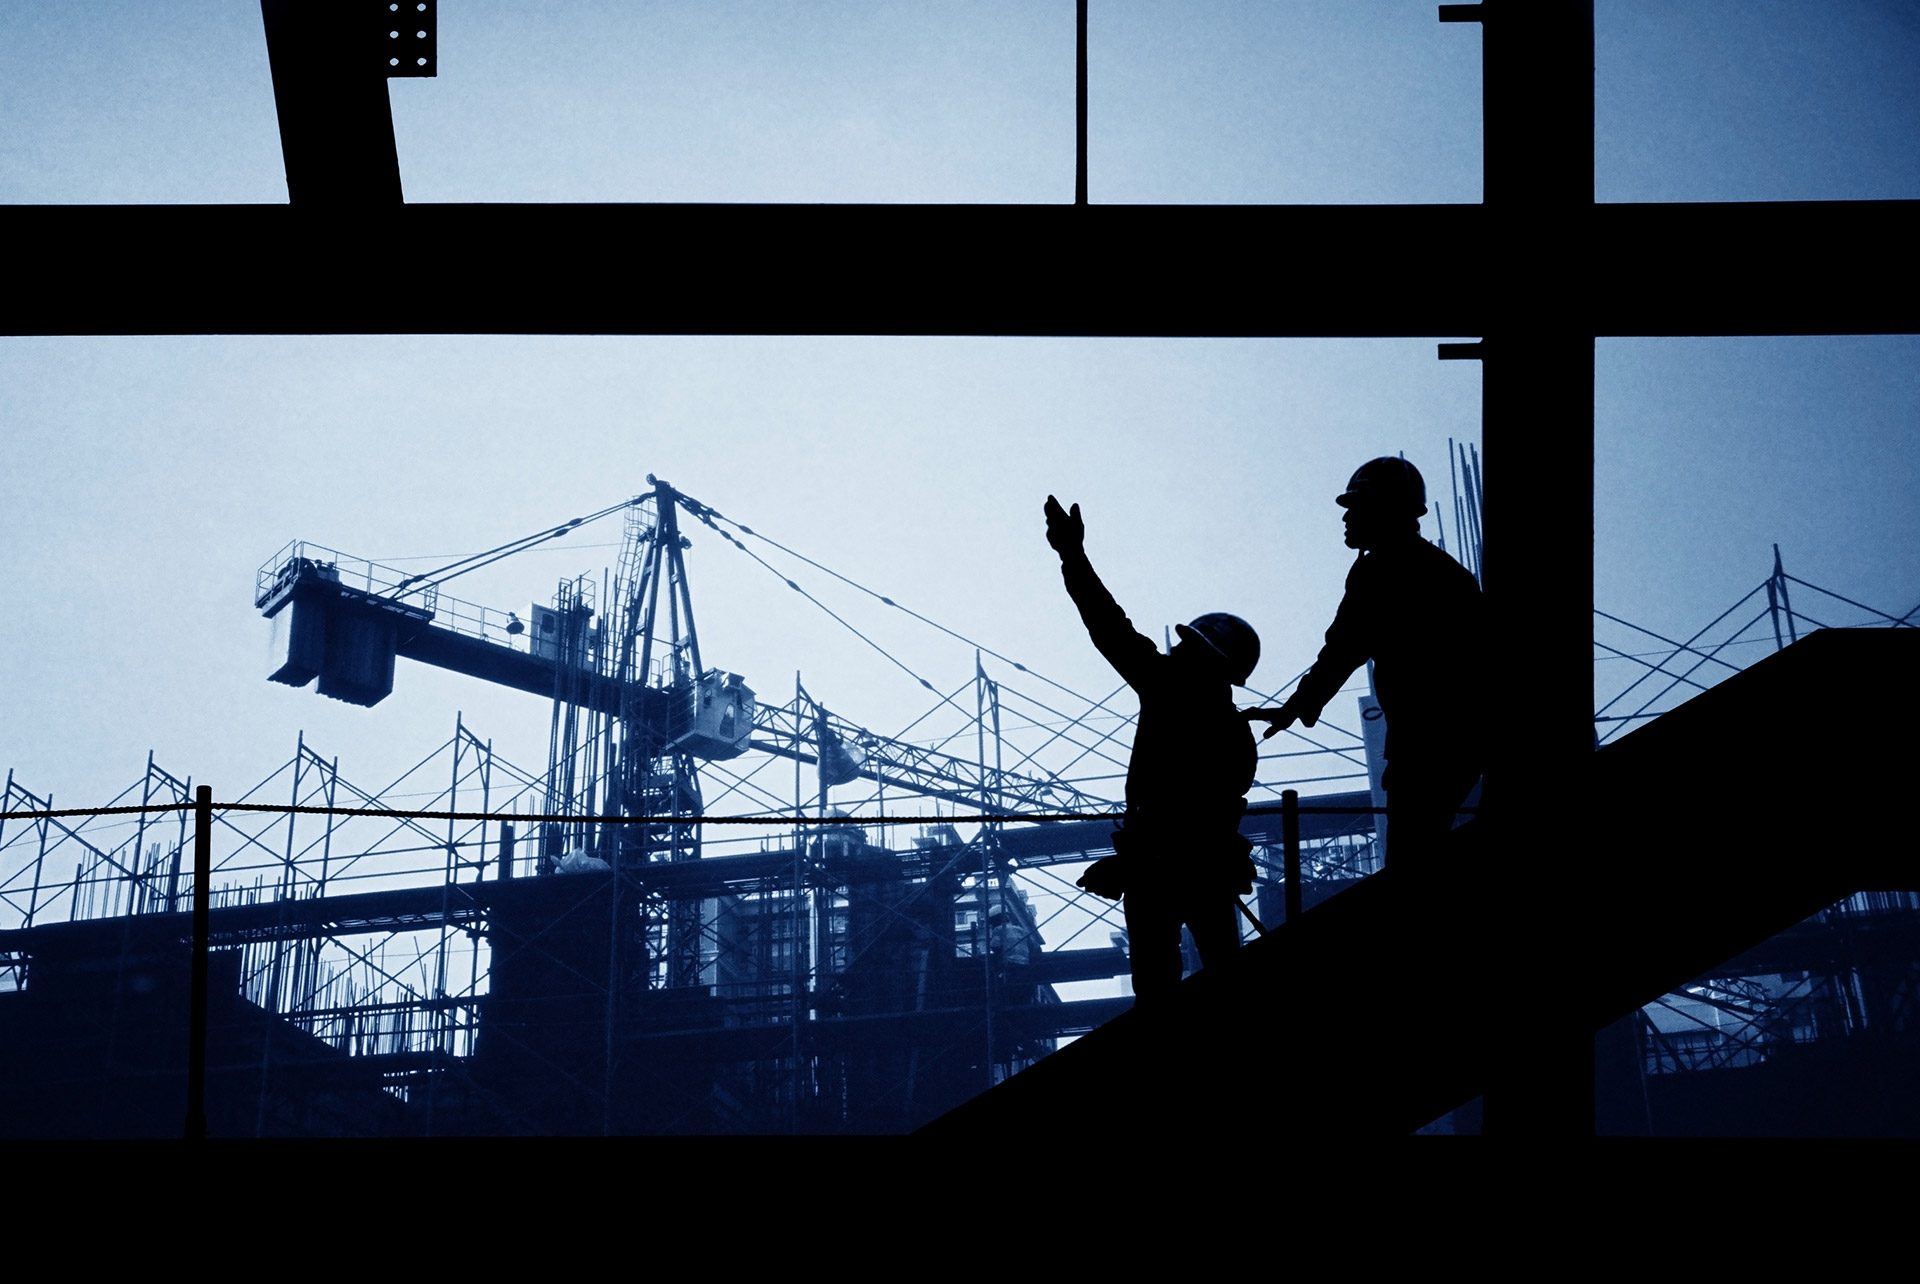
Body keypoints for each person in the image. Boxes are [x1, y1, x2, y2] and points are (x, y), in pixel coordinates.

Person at [1044, 494, 1261, 1001]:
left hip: (1161, 866)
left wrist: (1072, 556)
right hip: (1206, 868)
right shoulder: (1236, 734)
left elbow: (1108, 626)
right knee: (1224, 971)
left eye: (1188, 644)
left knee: (1158, 987)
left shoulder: (1168, 689)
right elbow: (1213, 813)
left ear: (1209, 660)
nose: (1175, 647)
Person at [1243, 456, 1487, 875]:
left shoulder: (1383, 572)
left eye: (1355, 507)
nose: (1346, 518)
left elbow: (1343, 649)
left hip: (1427, 743)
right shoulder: (1441, 572)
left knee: (1412, 857)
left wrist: (1299, 705)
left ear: (1383, 510)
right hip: (1455, 740)